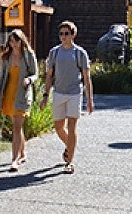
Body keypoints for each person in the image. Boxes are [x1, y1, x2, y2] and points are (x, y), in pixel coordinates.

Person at [40, 20, 93, 174]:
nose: (63, 37)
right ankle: (70, 146)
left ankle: (70, 161)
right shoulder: (54, 52)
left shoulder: (79, 52)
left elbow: (87, 77)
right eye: (61, 34)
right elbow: (49, 75)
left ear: (73, 35)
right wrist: (45, 95)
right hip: (58, 93)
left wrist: (89, 100)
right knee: (58, 127)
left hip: (75, 93)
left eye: (66, 34)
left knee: (72, 127)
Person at [0, 29, 38, 172]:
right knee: (16, 126)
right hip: (9, 94)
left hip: (22, 95)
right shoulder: (7, 57)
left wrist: (29, 79)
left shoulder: (28, 55)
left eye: (16, 41)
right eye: (11, 41)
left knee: (16, 128)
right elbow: (1, 79)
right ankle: (23, 153)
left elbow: (36, 74)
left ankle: (14, 160)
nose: (14, 44)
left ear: (22, 40)